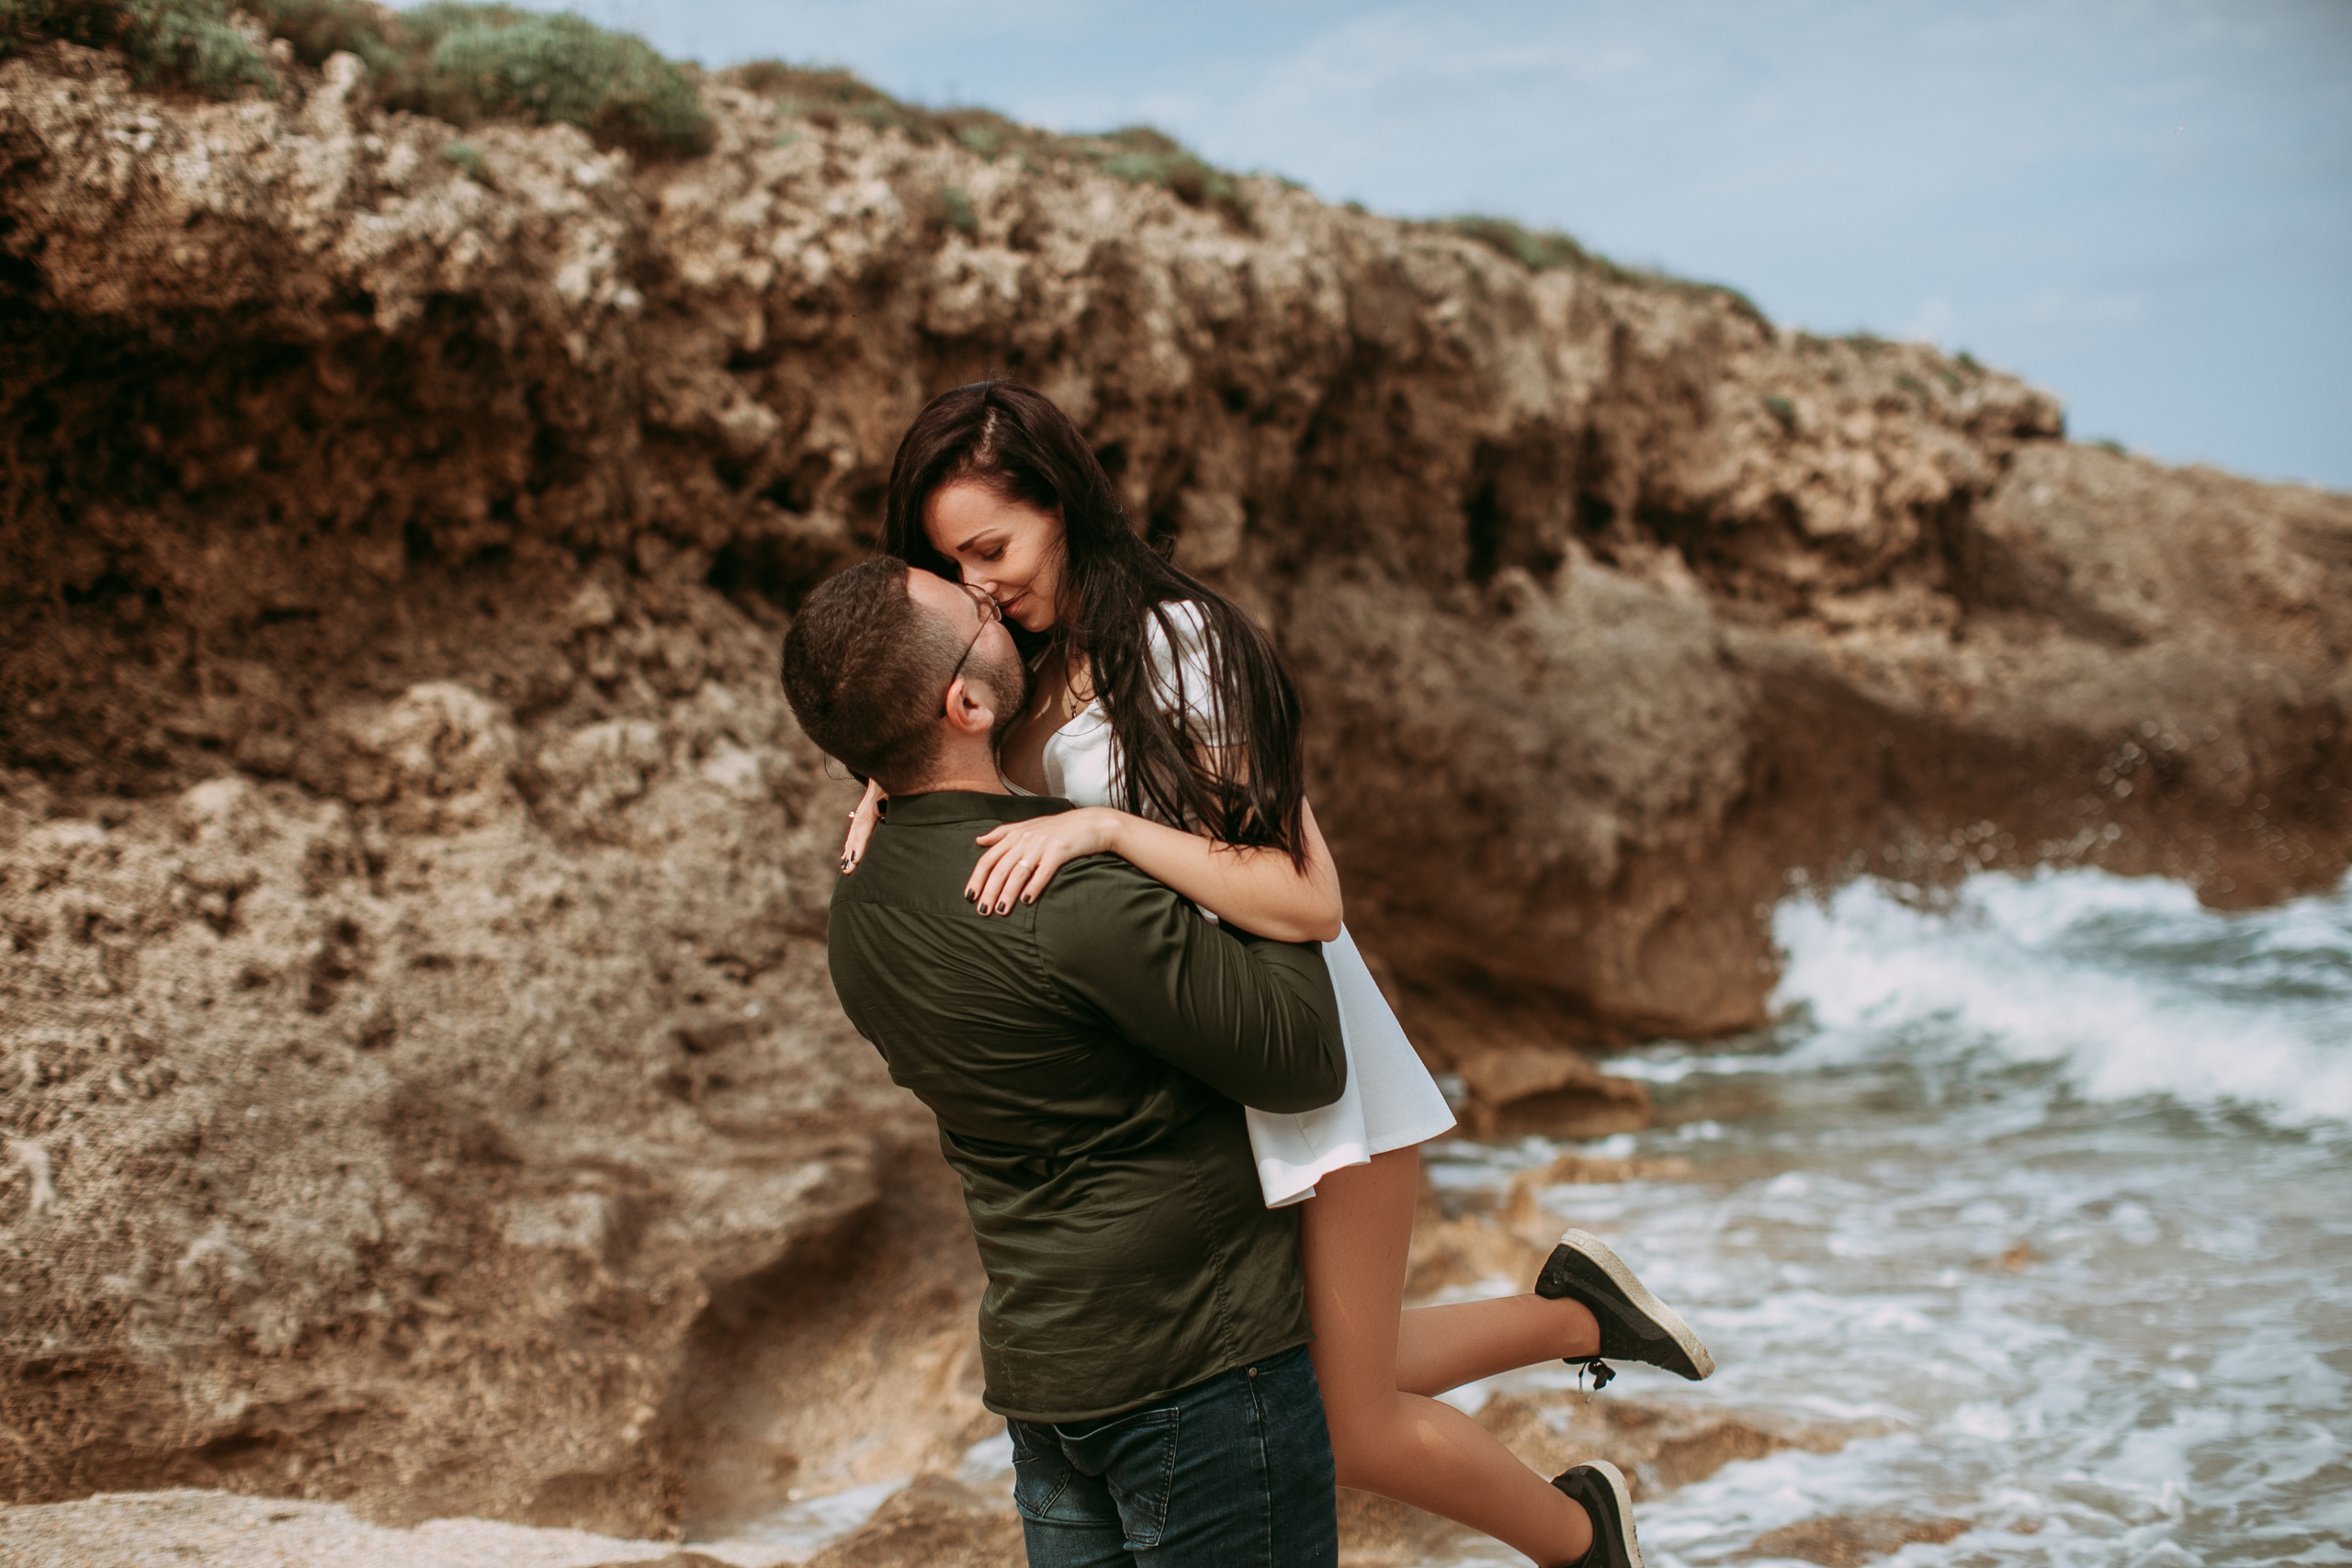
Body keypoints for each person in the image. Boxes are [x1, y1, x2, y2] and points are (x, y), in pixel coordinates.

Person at [842, 379, 1713, 1568]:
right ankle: (1578, 1312)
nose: (982, 582)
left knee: (1341, 1418)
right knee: (1296, 1372)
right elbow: (954, 744)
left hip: (1312, 1059)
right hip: (1200, 1071)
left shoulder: (1178, 646)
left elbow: (1307, 896)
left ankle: (1583, 1535)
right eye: (954, 563)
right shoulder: (1022, 665)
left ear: (1066, 506)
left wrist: (1108, 832)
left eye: (994, 544)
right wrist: (889, 779)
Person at [783, 554, 1350, 1568]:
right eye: (970, 610)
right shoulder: (1069, 895)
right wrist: (1250, 812)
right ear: (962, 700)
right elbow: (1304, 1059)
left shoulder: (856, 913)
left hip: (1048, 1373)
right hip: (1197, 1369)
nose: (992, 599)